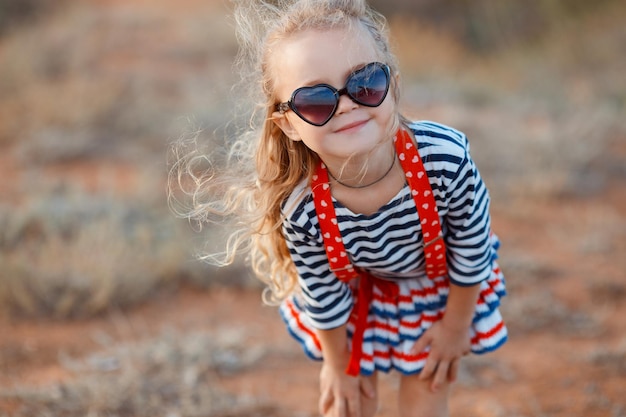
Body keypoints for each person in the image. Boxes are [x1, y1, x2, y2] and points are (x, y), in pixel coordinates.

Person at [169, 1, 507, 416]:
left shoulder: (445, 160)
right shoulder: (302, 207)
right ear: (289, 123)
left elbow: (473, 249)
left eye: (365, 83)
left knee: (427, 391)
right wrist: (337, 365)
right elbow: (324, 294)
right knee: (346, 404)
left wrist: (455, 328)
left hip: (440, 292)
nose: (347, 104)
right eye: (315, 99)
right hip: (354, 301)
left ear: (393, 86)